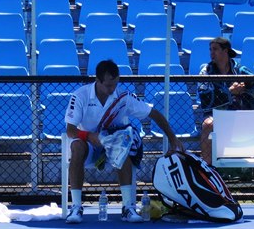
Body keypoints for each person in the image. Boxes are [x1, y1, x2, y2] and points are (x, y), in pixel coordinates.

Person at [64, 59, 184, 224]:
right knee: (76, 146)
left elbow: (153, 113)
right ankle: (76, 207)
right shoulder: (80, 95)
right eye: (108, 85)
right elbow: (70, 131)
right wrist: (90, 136)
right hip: (89, 145)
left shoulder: (123, 97)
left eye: (115, 84)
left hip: (113, 145)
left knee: (123, 146)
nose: (112, 89)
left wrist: (172, 137)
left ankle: (128, 207)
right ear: (97, 81)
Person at [197, 37, 254, 183]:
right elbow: (204, 95)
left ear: (226, 51)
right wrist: (229, 92)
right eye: (210, 49)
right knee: (207, 124)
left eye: (215, 49)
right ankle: (206, 169)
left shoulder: (240, 70)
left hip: (241, 115)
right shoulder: (206, 71)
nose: (212, 53)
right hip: (216, 115)